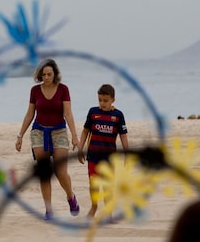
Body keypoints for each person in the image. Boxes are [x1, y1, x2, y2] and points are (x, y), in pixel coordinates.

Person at [15, 58, 80, 220]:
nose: (46, 77)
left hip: (59, 132)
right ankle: (49, 210)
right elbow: (30, 114)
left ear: (55, 74)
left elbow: (68, 113)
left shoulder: (63, 89)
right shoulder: (35, 91)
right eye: (43, 74)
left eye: (49, 74)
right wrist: (20, 135)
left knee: (60, 171)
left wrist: (74, 136)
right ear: (40, 75)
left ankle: (70, 197)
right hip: (39, 132)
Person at [77, 84, 129, 218]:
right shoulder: (93, 112)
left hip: (109, 158)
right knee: (94, 184)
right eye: (100, 100)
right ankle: (93, 207)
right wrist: (80, 148)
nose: (102, 103)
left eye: (105, 101)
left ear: (113, 100)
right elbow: (85, 131)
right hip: (93, 156)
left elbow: (123, 135)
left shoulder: (118, 115)